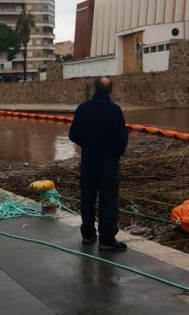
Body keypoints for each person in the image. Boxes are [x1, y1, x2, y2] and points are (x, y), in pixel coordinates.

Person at [68, 77, 128, 251]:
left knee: (87, 199)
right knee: (108, 201)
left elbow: (73, 134)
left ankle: (87, 234)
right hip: (108, 163)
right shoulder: (115, 111)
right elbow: (121, 139)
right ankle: (107, 240)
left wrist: (87, 145)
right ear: (110, 91)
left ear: (94, 89)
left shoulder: (83, 109)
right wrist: (115, 155)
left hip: (88, 162)